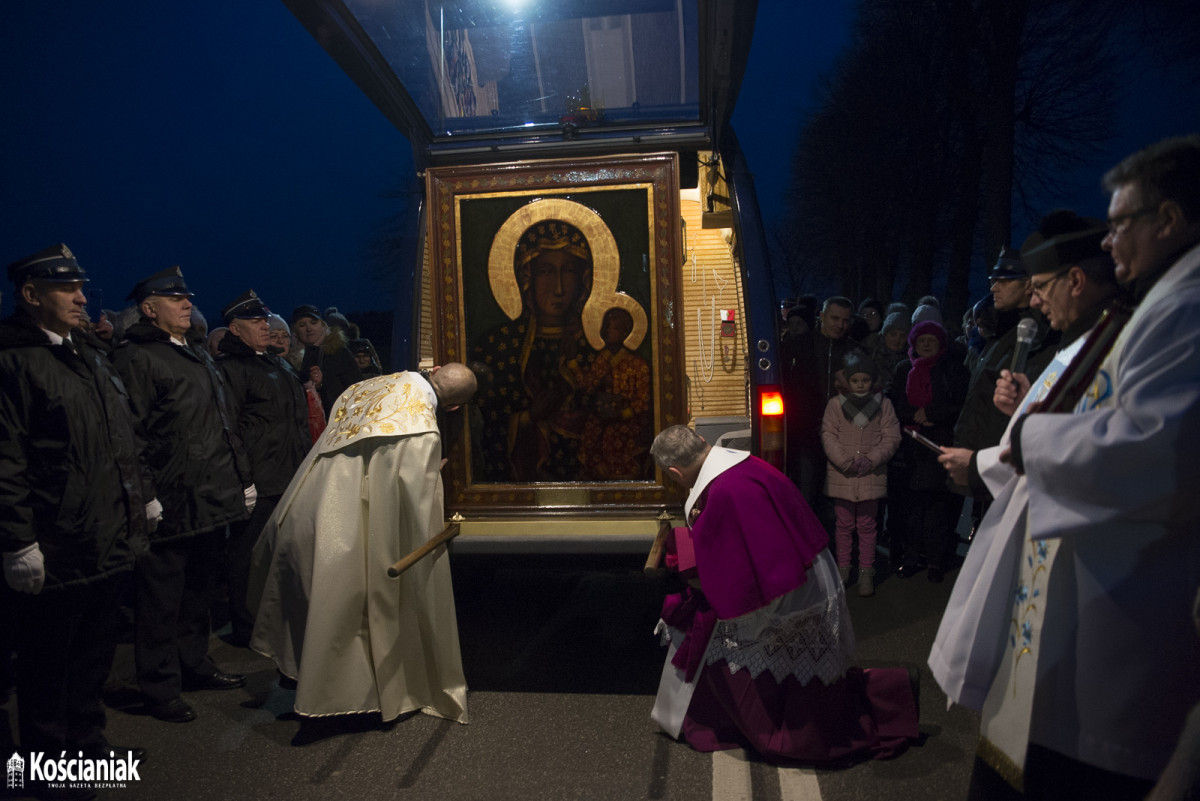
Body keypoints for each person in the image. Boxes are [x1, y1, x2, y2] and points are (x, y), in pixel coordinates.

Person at [937, 135, 1200, 799]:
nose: (1111, 243)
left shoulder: (1183, 311)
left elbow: (1156, 447)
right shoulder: (1153, 309)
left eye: (1121, 225)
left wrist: (1029, 443)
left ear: (1167, 221)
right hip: (1079, 603)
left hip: (1115, 617)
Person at [648, 425, 918, 763]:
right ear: (702, 441)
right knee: (797, 676)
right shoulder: (742, 466)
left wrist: (700, 581)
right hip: (805, 569)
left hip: (789, 591)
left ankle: (886, 696)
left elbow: (738, 570)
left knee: (727, 650)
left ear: (674, 472)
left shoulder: (725, 490)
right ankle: (891, 693)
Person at [0, 244, 152, 785]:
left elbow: (122, 437)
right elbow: (6, 459)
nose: (81, 298)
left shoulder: (85, 355)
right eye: (68, 289)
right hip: (56, 538)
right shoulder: (13, 359)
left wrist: (143, 497)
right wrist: (17, 542)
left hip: (106, 532)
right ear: (31, 295)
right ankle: (46, 769)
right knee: (47, 664)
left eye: (81, 288)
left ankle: (86, 749)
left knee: (93, 656)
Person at [249, 364, 477, 725]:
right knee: (350, 607)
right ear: (453, 409)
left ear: (431, 369)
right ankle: (336, 698)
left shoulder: (363, 387)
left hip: (306, 506)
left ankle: (296, 673)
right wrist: (435, 479)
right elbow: (413, 506)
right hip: (349, 525)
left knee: (309, 596)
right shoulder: (421, 426)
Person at [109, 266, 256, 724]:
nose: (187, 303)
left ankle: (193, 664)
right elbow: (130, 433)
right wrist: (146, 495)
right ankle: (158, 685)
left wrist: (239, 479)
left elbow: (222, 425)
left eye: (187, 297)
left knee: (197, 592)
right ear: (150, 310)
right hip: (172, 498)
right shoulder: (138, 357)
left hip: (209, 494)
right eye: (175, 299)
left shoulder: (191, 352)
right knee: (160, 599)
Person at [217, 290, 311, 647]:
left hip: (289, 474)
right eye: (255, 322)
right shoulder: (232, 369)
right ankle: (246, 626)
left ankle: (274, 621)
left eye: (264, 320)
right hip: (260, 478)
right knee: (247, 557)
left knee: (279, 556)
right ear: (235, 330)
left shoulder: (277, 363)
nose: (265, 326)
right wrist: (245, 480)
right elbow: (231, 428)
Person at [470, 219, 598, 481]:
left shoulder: (595, 347)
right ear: (526, 276)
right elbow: (481, 426)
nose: (559, 288)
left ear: (584, 277)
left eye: (570, 271)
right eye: (547, 272)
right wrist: (528, 418)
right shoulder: (498, 346)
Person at [887, 320, 969, 582]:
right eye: (921, 339)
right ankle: (910, 558)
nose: (925, 343)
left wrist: (931, 413)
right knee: (911, 507)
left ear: (940, 343)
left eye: (930, 340)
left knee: (937, 506)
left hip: (939, 443)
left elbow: (960, 402)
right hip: (910, 446)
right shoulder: (904, 369)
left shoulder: (952, 369)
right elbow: (895, 403)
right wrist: (914, 415)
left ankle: (935, 561)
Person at [820, 351, 900, 596]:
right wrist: (843, 461)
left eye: (865, 381)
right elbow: (828, 435)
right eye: (856, 381)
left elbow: (891, 437)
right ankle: (844, 570)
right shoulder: (835, 404)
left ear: (872, 380)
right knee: (843, 526)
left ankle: (866, 572)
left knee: (867, 526)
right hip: (842, 476)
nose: (860, 385)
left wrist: (872, 459)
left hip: (870, 476)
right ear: (848, 381)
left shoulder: (883, 404)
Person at [781, 295, 855, 510]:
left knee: (838, 501)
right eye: (835, 318)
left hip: (842, 436)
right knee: (806, 496)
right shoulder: (798, 346)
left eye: (845, 320)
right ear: (822, 316)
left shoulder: (854, 351)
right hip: (805, 433)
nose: (840, 325)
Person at [574, 306, 653, 480]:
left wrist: (623, 413)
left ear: (625, 333)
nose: (608, 331)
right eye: (606, 326)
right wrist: (573, 365)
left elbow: (643, 399)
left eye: (614, 327)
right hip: (602, 417)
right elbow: (588, 384)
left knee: (617, 438)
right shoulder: (602, 359)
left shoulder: (637, 364)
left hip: (627, 421)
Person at [292, 304, 362, 415]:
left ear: (322, 325)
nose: (309, 328)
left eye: (313, 323)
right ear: (295, 331)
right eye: (302, 325)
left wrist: (321, 385)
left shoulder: (338, 352)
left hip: (339, 420)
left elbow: (357, 389)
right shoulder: (291, 359)